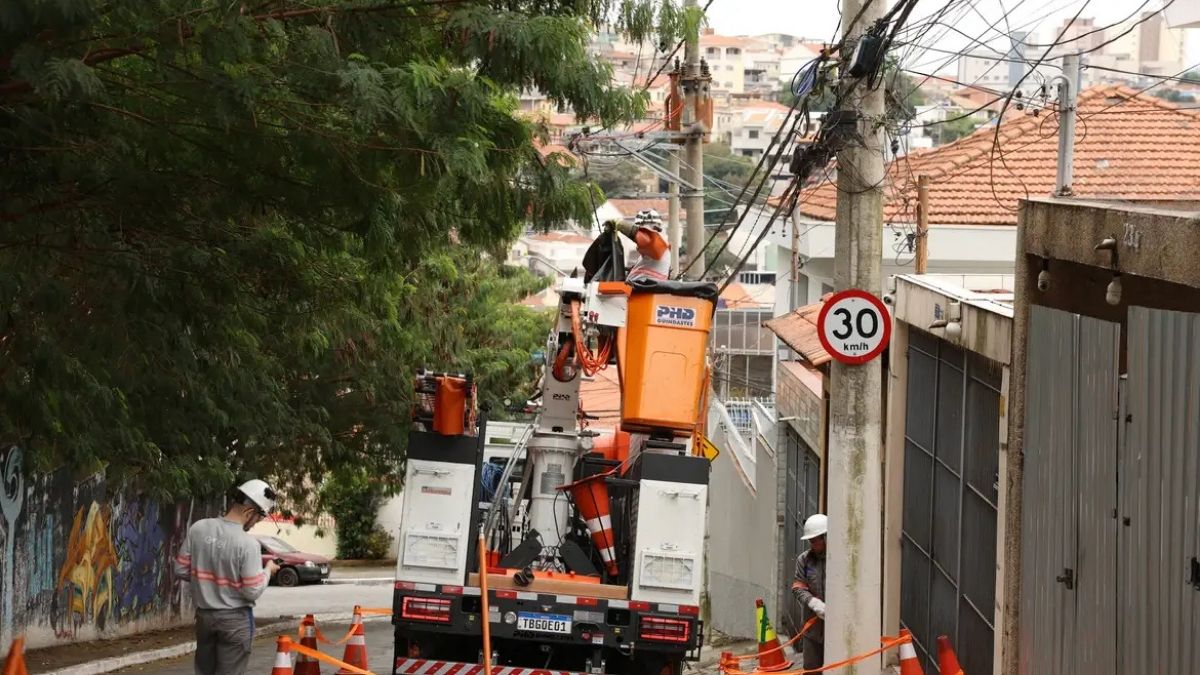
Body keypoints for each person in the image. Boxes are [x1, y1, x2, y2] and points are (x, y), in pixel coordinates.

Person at [173, 479, 280, 675]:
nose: (255, 524)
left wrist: (207, 580)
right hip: (234, 620)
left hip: (204, 618)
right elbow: (252, 591)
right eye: (258, 518)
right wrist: (268, 571)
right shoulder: (248, 544)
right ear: (249, 512)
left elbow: (180, 569)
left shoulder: (199, 528)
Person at [791, 513, 827, 670]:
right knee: (812, 669)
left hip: (835, 629)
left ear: (825, 537)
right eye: (810, 541)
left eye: (814, 540)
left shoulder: (838, 560)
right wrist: (814, 603)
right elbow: (798, 587)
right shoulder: (804, 560)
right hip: (812, 629)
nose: (812, 544)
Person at [605, 209, 670, 280]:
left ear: (655, 227)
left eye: (642, 228)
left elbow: (644, 238)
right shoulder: (653, 250)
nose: (641, 230)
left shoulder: (659, 243)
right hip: (642, 287)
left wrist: (619, 224)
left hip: (645, 289)